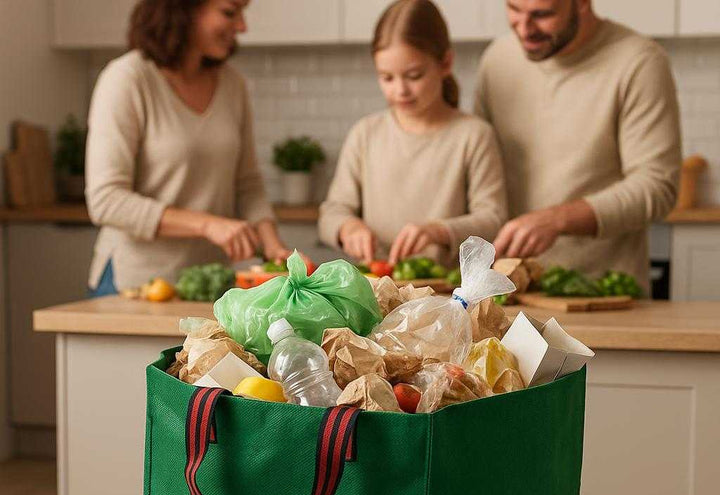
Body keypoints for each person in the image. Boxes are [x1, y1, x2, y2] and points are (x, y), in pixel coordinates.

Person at [474, 0, 682, 292]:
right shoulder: (497, 59)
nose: (524, 28)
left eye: (542, 14)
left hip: (603, 292)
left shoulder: (639, 62)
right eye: (514, 9)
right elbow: (480, 169)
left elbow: (658, 186)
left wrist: (557, 220)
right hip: (511, 288)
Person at [85, 0, 288, 296]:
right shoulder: (127, 79)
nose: (242, 26)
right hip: (135, 284)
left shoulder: (233, 84)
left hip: (212, 286)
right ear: (182, 10)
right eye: (229, 13)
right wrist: (207, 225)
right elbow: (106, 200)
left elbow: (247, 184)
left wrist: (273, 248)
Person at [319, 0, 507, 267]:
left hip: (449, 294)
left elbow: (493, 218)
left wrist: (438, 230)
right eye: (387, 78)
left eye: (414, 75)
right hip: (377, 287)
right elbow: (332, 211)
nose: (400, 90)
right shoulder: (365, 134)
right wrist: (348, 227)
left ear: (445, 63)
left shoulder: (474, 135)